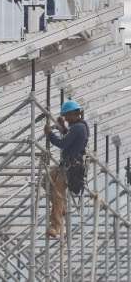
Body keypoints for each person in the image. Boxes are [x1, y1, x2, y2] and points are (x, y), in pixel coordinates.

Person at [43, 99, 89, 239]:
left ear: (75, 114)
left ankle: (55, 226)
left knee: (57, 194)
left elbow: (63, 143)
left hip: (70, 168)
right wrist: (62, 127)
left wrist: (50, 134)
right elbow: (69, 138)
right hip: (65, 165)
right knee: (45, 180)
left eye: (67, 116)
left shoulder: (78, 128)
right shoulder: (78, 127)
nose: (66, 119)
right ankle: (61, 207)